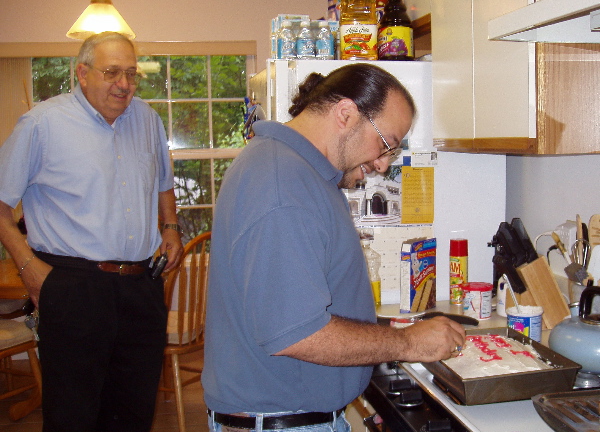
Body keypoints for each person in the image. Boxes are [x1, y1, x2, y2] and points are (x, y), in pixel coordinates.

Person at [202, 63, 466, 432]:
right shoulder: (283, 185)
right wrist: (406, 342)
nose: (382, 164)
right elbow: (297, 332)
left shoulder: (300, 172)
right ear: (345, 114)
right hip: (283, 422)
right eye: (385, 144)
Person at [0, 32, 183, 432]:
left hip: (141, 288)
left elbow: (163, 183)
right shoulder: (42, 124)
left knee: (134, 412)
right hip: (73, 286)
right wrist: (28, 267)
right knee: (73, 416)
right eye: (112, 72)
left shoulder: (148, 119)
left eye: (131, 74)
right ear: (81, 74)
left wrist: (170, 227)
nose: (124, 84)